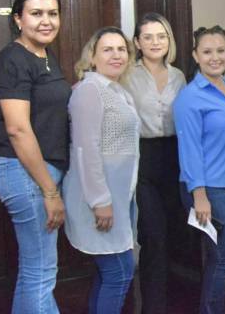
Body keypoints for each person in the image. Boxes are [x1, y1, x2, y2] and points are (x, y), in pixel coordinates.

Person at [0, 0, 69, 313]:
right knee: (40, 273)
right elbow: (18, 129)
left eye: (52, 13)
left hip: (42, 173)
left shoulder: (46, 57)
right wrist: (50, 191)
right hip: (27, 175)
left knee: (38, 272)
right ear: (19, 20)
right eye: (36, 14)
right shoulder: (13, 59)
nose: (46, 21)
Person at [63, 27, 140, 313]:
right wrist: (100, 201)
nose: (116, 55)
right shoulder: (89, 90)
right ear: (92, 57)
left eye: (121, 49)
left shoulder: (117, 90)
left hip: (119, 198)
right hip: (99, 200)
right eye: (108, 49)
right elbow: (86, 148)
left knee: (112, 273)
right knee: (119, 272)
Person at [174, 25, 225, 314]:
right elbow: (189, 149)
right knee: (224, 255)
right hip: (208, 188)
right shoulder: (190, 98)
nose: (215, 57)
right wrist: (200, 195)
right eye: (207, 52)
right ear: (195, 55)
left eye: (220, 50)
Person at [121, 13, 186, 313]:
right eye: (148, 37)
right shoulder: (127, 76)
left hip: (175, 158)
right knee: (153, 236)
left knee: (175, 235)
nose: (155, 42)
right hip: (143, 158)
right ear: (137, 42)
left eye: (161, 36)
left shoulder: (179, 76)